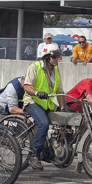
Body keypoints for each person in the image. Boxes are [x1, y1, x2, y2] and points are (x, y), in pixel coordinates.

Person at [23, 43, 70, 171]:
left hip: (47, 103)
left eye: (58, 56)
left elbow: (60, 91)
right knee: (43, 123)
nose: (57, 59)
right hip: (32, 101)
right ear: (46, 57)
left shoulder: (56, 70)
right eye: (54, 56)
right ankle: (35, 155)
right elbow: (27, 86)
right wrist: (37, 93)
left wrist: (63, 110)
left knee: (69, 119)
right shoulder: (35, 67)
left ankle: (60, 148)